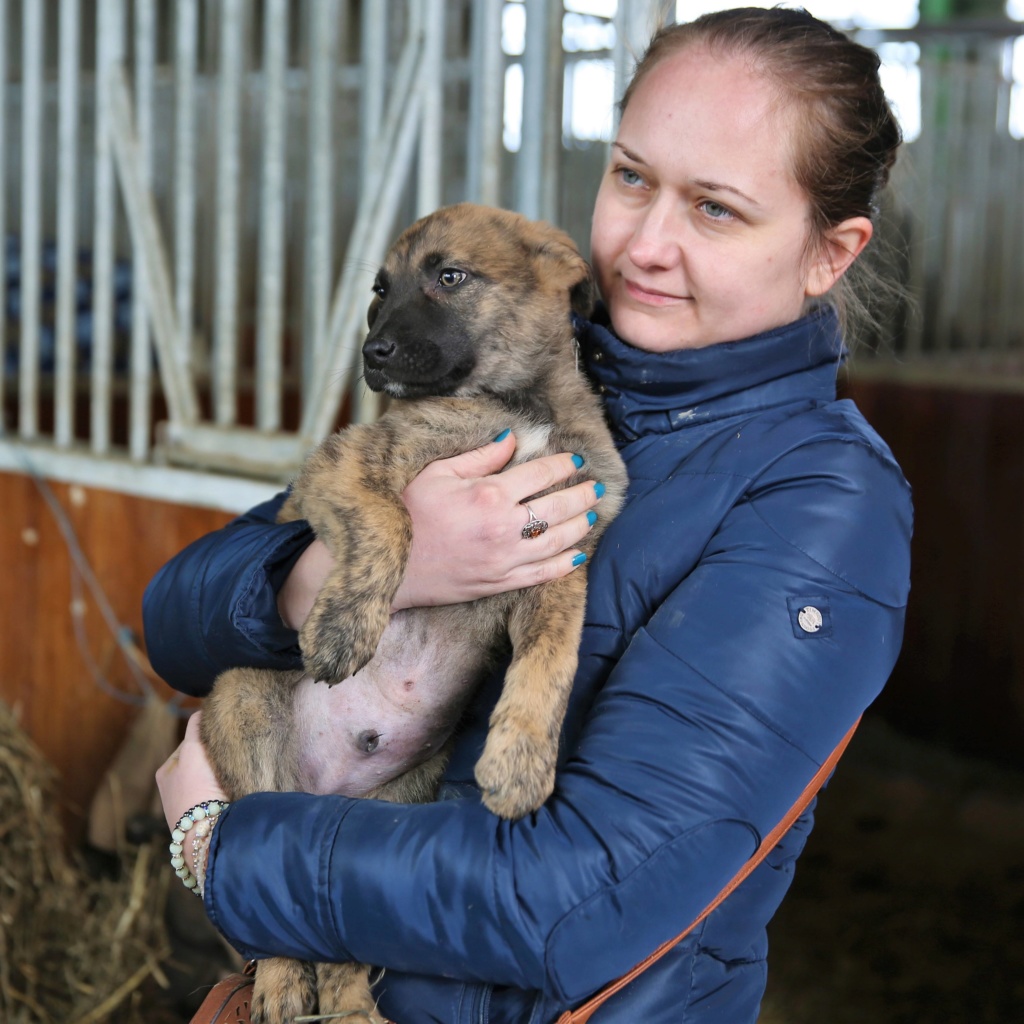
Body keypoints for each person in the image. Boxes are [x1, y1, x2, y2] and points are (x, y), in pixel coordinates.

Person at [151, 8, 913, 1023]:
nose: (643, 244)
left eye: (715, 209)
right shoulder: (512, 362)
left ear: (830, 252)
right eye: (632, 176)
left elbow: (573, 900)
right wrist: (377, 570)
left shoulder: (821, 503)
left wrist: (221, 845)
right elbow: (173, 616)